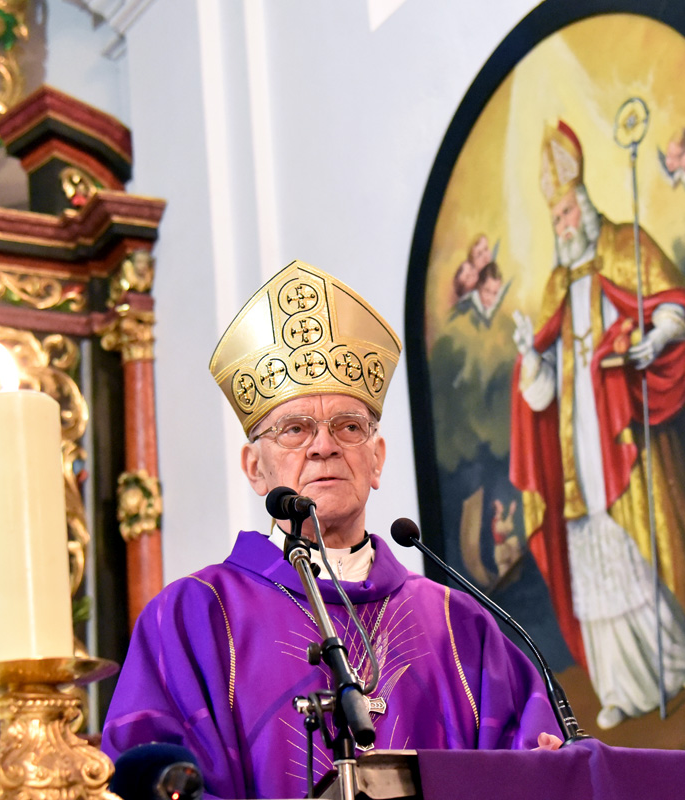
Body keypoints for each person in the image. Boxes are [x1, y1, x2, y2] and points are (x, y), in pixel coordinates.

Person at [103, 260, 562, 799]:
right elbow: (151, 780)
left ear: (377, 459)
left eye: (348, 426)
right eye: (295, 429)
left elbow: (537, 767)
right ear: (254, 469)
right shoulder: (193, 617)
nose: (324, 446)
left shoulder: (461, 627)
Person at [509, 122, 685, 729]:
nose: (564, 225)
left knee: (650, 543)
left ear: (585, 205)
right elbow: (542, 393)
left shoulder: (625, 244)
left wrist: (655, 338)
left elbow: (673, 308)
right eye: (555, 217)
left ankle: (683, 658)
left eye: (568, 211)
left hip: (624, 437)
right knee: (594, 559)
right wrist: (531, 358)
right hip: (577, 451)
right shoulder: (556, 286)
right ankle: (616, 686)